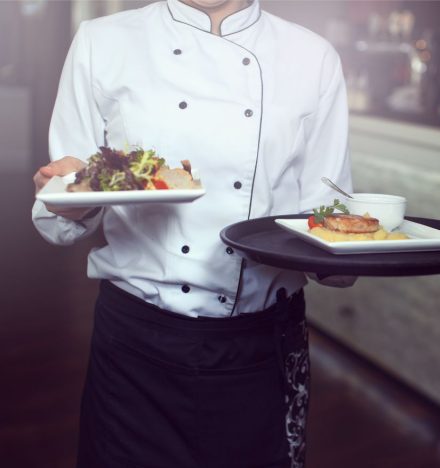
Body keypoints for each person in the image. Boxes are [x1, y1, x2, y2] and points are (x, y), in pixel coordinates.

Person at [31, 1, 353, 467]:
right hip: (135, 345)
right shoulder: (103, 41)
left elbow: (326, 215)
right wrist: (68, 192)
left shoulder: (313, 55)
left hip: (264, 344)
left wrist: (348, 253)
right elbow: (61, 211)